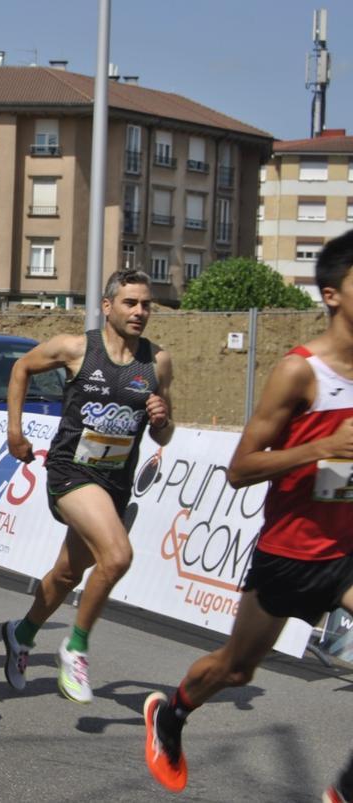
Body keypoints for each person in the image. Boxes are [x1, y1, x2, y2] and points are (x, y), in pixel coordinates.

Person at [144, 232, 353, 798]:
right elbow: (240, 468)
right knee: (236, 671)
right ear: (332, 294)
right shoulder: (301, 372)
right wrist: (321, 447)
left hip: (346, 551)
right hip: (291, 553)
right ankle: (172, 714)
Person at [1, 269, 174, 704]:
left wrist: (161, 419)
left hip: (116, 482)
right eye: (130, 303)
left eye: (146, 304)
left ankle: (21, 633)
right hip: (71, 472)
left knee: (67, 573)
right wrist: (14, 431)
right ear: (107, 306)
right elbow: (22, 368)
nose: (140, 311)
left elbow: (165, 434)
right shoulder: (77, 348)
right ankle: (75, 648)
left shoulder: (158, 362)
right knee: (117, 556)